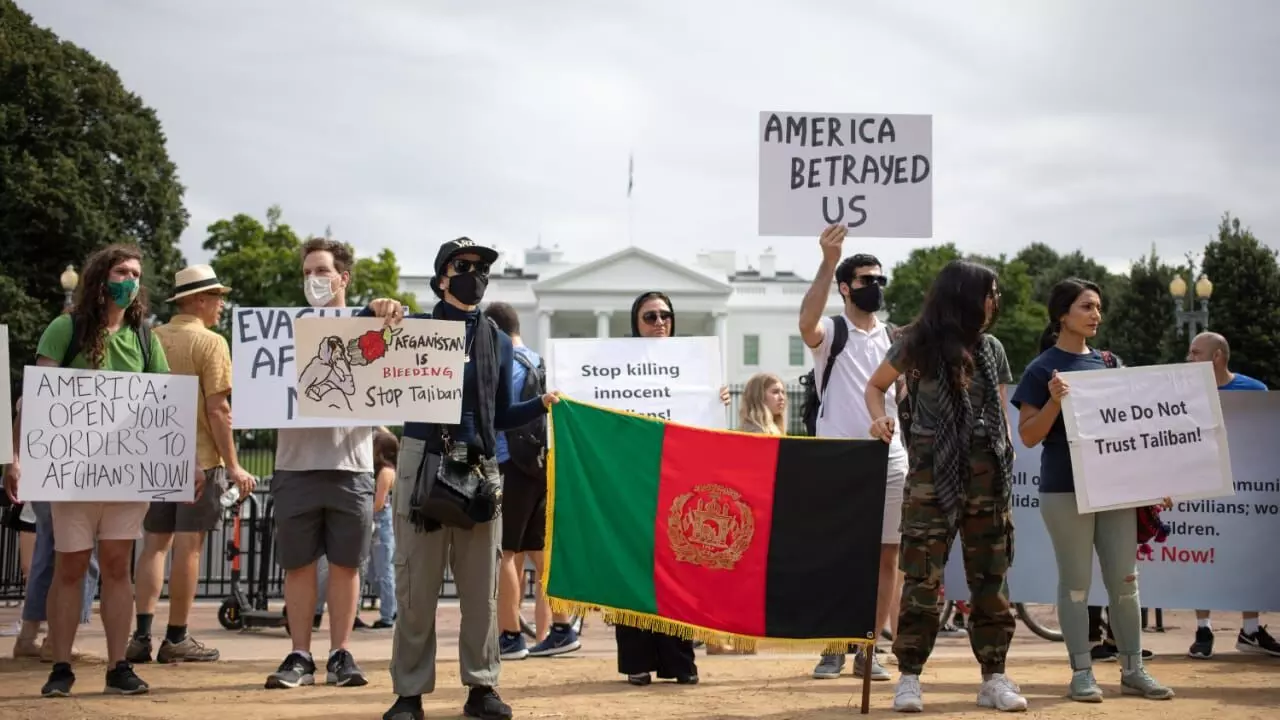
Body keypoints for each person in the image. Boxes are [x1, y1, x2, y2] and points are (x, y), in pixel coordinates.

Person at [368, 237, 559, 720]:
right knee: (415, 585)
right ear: (441, 277)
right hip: (422, 458)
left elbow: (501, 413)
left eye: (481, 267)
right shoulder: (412, 327)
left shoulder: (494, 338)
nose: (474, 273)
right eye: (464, 265)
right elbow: (354, 347)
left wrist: (539, 405)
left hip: (478, 463)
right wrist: (373, 308)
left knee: (482, 588)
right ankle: (408, 692)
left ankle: (482, 686)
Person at [3, 243, 188, 698]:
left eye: (137, 273)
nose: (132, 279)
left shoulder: (145, 338)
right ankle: (60, 666)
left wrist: (185, 462)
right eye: (123, 270)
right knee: (69, 567)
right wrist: (16, 456)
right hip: (71, 477)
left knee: (115, 569)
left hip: (125, 479)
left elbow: (164, 403)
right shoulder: (66, 328)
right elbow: (37, 396)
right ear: (101, 277)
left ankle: (117, 666)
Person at [865, 259, 1027, 713]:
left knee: (991, 580)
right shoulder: (917, 344)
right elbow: (875, 387)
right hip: (931, 478)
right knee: (921, 579)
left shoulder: (992, 348)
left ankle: (994, 676)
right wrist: (880, 418)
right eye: (990, 293)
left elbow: (999, 409)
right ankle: (910, 677)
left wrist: (1005, 449)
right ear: (965, 296)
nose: (995, 302)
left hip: (988, 479)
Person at [1013, 277, 1172, 702]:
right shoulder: (1041, 369)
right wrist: (1054, 401)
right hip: (1064, 490)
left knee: (1125, 581)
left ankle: (1133, 669)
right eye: (1087, 307)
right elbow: (1028, 436)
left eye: (1098, 307)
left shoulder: (1110, 363)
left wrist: (1154, 483)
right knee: (1076, 584)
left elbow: (1134, 431)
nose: (1096, 314)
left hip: (1115, 490)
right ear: (1063, 314)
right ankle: (1082, 672)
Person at [129, 265, 256, 664]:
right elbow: (218, 409)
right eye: (217, 297)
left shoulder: (150, 338)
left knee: (153, 547)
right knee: (188, 549)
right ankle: (177, 637)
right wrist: (234, 465)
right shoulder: (212, 343)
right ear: (199, 300)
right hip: (201, 460)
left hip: (158, 456)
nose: (221, 304)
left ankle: (141, 635)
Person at [265, 237, 375, 690]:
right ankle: (299, 655)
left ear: (343, 278)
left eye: (322, 271)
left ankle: (340, 654)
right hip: (295, 464)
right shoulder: (280, 332)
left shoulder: (368, 323)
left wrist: (387, 308)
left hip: (352, 464)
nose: (314, 279)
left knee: (347, 566)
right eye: (308, 271)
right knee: (299, 566)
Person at [799, 224, 906, 683]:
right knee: (838, 555)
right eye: (866, 280)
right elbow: (806, 323)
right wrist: (828, 260)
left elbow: (901, 397)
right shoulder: (833, 331)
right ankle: (832, 646)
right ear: (845, 288)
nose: (875, 287)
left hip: (891, 459)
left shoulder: (896, 338)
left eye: (880, 279)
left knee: (887, 557)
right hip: (838, 459)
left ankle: (868, 646)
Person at [614, 290, 731, 687]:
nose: (660, 322)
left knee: (681, 567)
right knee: (631, 568)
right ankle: (636, 661)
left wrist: (716, 399)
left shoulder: (693, 365)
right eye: (650, 316)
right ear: (636, 323)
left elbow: (704, 424)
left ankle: (680, 661)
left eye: (665, 315)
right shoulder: (613, 366)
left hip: (679, 480)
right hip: (629, 483)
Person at [482, 301, 581, 659]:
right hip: (543, 464)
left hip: (511, 463)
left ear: (492, 329)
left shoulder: (503, 363)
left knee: (505, 552)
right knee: (540, 553)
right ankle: (562, 628)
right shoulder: (541, 360)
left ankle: (510, 635)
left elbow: (495, 413)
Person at [1184, 331, 1278, 659]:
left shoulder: (1255, 392)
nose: (1189, 359)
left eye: (1196, 354)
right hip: (1199, 485)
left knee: (1244, 555)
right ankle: (1203, 629)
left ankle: (1250, 630)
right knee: (1201, 555)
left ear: (1217, 357)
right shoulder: (1183, 391)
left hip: (1243, 487)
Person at [369, 427, 399, 629]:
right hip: (380, 522)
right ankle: (392, 608)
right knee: (375, 572)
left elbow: (378, 503)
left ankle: (389, 613)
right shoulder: (388, 469)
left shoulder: (386, 472)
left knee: (383, 570)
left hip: (381, 522)